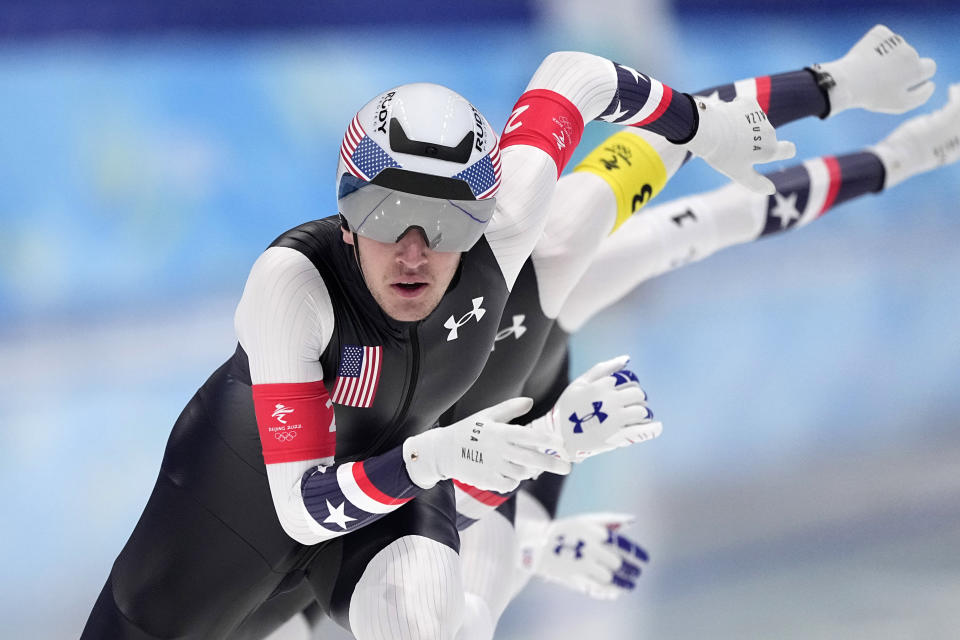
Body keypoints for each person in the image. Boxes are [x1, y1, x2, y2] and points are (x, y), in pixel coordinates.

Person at [81, 48, 792, 640]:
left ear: (486, 221)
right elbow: (300, 506)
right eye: (389, 213)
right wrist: (444, 459)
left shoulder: (512, 232)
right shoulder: (293, 285)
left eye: (448, 222)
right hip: (233, 532)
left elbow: (578, 79)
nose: (415, 254)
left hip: (383, 501)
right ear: (348, 218)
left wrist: (704, 123)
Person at [468, 78, 960, 638]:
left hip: (520, 400)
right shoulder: (525, 255)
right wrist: (536, 547)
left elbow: (693, 147)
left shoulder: (551, 239)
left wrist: (845, 93)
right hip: (503, 451)